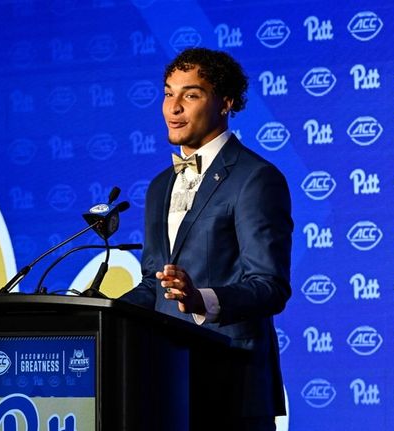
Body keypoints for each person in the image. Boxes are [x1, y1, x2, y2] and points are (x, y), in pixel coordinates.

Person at [120, 47, 292, 431]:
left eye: (191, 94)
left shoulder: (255, 178)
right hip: (165, 384)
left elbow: (269, 285)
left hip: (233, 384)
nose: (173, 107)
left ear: (225, 102)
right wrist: (103, 310)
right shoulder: (160, 186)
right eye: (168, 93)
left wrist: (202, 299)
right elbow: (155, 283)